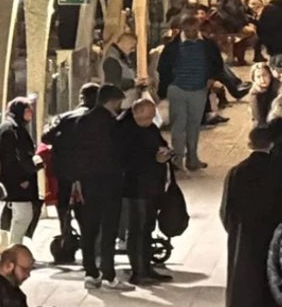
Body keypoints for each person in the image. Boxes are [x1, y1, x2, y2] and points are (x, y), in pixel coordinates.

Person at [220, 128, 282, 307]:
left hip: (244, 236)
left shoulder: (236, 172)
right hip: (273, 233)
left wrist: (235, 230)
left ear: (250, 145)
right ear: (272, 144)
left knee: (244, 279)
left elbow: (226, 210)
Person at [74, 85, 131, 290]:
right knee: (109, 229)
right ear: (112, 101)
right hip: (110, 182)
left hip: (88, 183)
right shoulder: (113, 125)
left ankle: (90, 273)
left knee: (89, 228)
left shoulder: (83, 121)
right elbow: (121, 154)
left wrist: (78, 181)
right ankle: (108, 275)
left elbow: (77, 155)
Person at [157, 15, 228, 171]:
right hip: (177, 89)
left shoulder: (207, 45)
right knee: (178, 125)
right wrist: (168, 84)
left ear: (198, 29)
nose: (191, 34)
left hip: (199, 89)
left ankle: (192, 158)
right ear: (182, 29)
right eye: (187, 30)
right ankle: (177, 158)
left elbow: (217, 63)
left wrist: (211, 78)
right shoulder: (173, 47)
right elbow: (163, 67)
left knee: (194, 125)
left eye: (194, 30)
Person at [117, 98, 174, 286]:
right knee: (138, 229)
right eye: (147, 116)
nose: (150, 119)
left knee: (147, 228)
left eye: (152, 116)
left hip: (150, 186)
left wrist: (166, 152)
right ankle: (138, 270)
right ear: (136, 113)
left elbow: (159, 142)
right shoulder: (125, 130)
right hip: (135, 188)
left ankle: (146, 266)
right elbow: (125, 160)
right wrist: (154, 158)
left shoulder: (149, 128)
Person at [40, 83, 99, 250]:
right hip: (90, 170)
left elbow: (46, 137)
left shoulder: (65, 117)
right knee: (87, 204)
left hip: (64, 168)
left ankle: (65, 233)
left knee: (63, 202)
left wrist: (62, 141)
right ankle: (89, 238)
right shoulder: (99, 118)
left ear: (81, 97)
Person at [0, 98, 40, 247]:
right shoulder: (10, 130)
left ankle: (15, 246)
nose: (31, 113)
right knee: (23, 216)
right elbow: (9, 158)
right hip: (18, 183)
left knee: (22, 216)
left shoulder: (14, 128)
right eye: (27, 110)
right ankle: (14, 248)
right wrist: (20, 179)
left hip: (19, 181)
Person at [101, 33, 142, 108]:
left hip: (125, 102)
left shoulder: (121, 57)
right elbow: (114, 83)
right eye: (132, 46)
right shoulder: (112, 59)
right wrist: (134, 82)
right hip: (121, 105)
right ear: (126, 43)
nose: (133, 50)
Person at [246, 62, 278, 129]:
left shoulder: (278, 87)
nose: (262, 80)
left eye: (264, 75)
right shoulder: (254, 94)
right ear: (254, 79)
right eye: (258, 77)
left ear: (270, 75)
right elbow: (259, 119)